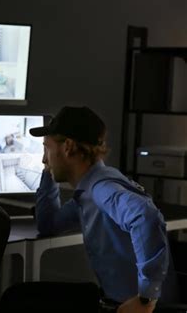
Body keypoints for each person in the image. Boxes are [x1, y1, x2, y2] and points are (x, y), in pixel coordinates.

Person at [29, 106, 178, 313]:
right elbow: (49, 225)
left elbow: (145, 216)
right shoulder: (89, 190)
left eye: (46, 148)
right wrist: (49, 171)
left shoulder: (101, 189)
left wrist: (146, 298)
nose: (44, 158)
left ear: (68, 147)